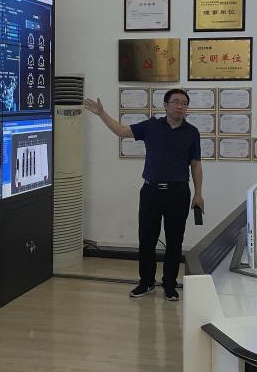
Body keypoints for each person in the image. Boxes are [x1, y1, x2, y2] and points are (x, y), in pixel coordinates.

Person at [84, 89, 204, 301]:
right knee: (147, 239)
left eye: (184, 103)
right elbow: (122, 131)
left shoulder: (192, 132)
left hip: (178, 192)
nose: (180, 106)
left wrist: (198, 193)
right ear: (165, 105)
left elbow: (196, 164)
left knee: (175, 241)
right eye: (175, 102)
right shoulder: (151, 127)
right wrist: (102, 113)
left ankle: (169, 285)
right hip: (151, 191)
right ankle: (146, 282)